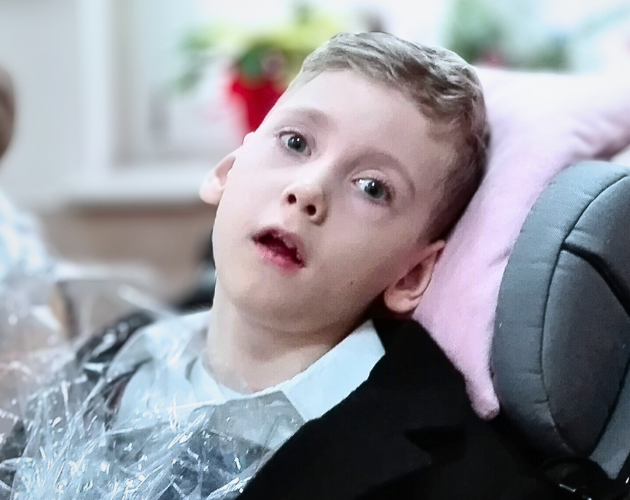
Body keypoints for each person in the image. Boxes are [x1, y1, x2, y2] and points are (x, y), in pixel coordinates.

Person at [0, 33, 572, 499]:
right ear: (227, 171)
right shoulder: (114, 357)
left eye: (373, 188)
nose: (309, 190)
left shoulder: (463, 482)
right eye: (296, 143)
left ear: (412, 275)